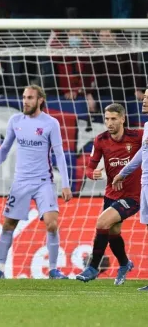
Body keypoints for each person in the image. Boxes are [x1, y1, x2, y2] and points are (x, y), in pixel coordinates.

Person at [0, 85, 72, 279]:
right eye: (24, 97)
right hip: (21, 182)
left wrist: (65, 184)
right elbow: (4, 148)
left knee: (51, 223)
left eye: (30, 97)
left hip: (43, 182)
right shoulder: (16, 121)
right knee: (8, 225)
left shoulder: (51, 123)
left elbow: (59, 154)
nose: (25, 101)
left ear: (40, 100)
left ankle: (53, 269)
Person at [76, 103, 141, 284]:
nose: (109, 123)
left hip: (133, 196)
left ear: (122, 118)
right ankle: (125, 263)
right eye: (106, 119)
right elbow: (89, 168)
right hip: (111, 194)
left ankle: (92, 267)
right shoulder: (100, 140)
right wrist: (92, 174)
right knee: (113, 232)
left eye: (113, 119)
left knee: (102, 222)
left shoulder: (138, 136)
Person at [113, 89, 148, 291]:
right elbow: (142, 154)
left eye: (147, 98)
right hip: (145, 183)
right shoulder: (147, 126)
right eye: (143, 97)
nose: (143, 100)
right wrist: (124, 172)